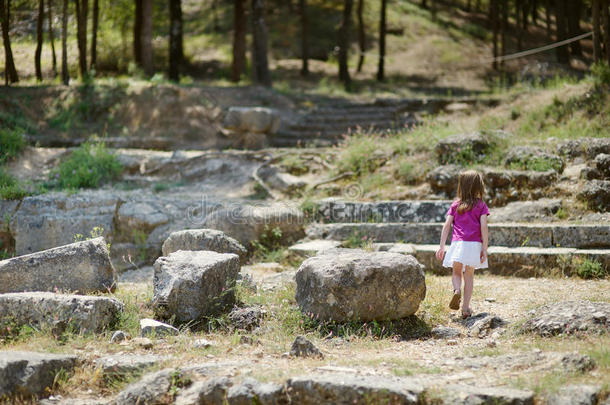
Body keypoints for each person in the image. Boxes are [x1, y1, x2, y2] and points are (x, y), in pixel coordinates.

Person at [435, 170, 489, 319]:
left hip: (458, 244)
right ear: (478, 186)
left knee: (456, 272)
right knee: (469, 275)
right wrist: (484, 248)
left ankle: (456, 290)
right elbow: (484, 227)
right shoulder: (481, 206)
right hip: (474, 244)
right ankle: (465, 308)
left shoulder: (456, 205)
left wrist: (441, 246)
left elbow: (447, 225)